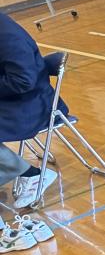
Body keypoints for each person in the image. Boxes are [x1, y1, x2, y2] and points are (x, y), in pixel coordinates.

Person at [0, 11, 60, 209]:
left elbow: (23, 81)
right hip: (14, 101)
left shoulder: (7, 34)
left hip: (31, 105)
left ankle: (33, 176)